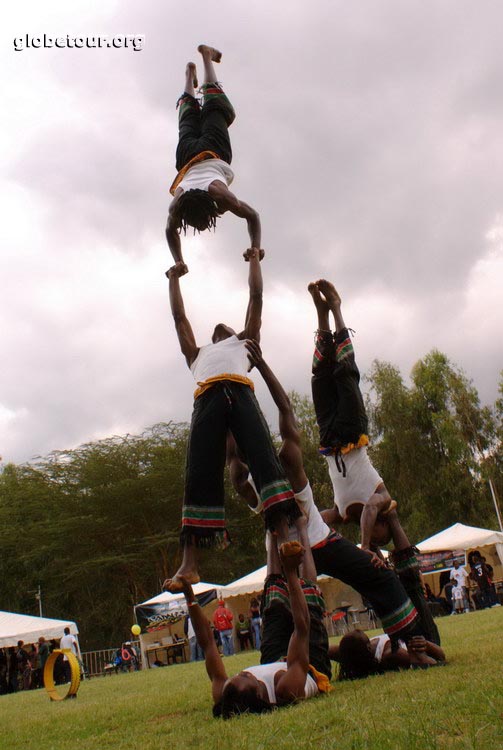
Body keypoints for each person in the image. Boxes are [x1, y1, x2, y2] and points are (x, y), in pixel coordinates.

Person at [228, 340, 433, 648]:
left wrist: (227, 395)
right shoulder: (286, 467)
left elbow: (233, 453)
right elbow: (285, 409)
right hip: (308, 548)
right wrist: (259, 367)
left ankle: (279, 665)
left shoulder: (251, 484)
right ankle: (415, 643)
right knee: (379, 580)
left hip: (298, 551)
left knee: (284, 613)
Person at [307, 279, 440, 644]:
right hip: (352, 431)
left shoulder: (346, 513)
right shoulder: (381, 499)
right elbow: (368, 516)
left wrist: (303, 520)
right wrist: (366, 548)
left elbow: (325, 517)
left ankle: (320, 319)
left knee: (320, 379)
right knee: (345, 375)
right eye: (384, 536)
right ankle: (335, 308)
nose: (381, 537)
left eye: (378, 538)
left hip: (329, 441)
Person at [164, 249, 300, 588]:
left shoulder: (245, 344)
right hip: (207, 399)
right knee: (197, 473)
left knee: (264, 459)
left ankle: (284, 538)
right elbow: (180, 319)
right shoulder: (196, 355)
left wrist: (254, 259)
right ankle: (190, 564)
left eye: (225, 327)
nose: (218, 329)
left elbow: (256, 297)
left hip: (240, 393)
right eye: (215, 331)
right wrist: (173, 281)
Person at [168, 516, 332, 718]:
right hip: (308, 664)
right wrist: (290, 572)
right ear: (258, 692)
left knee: (273, 600)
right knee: (308, 594)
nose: (242, 672)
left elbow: (208, 643)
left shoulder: (227, 692)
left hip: (274, 659)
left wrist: (189, 596)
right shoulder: (288, 690)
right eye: (245, 676)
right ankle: (301, 525)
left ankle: (271, 534)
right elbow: (302, 628)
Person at [166, 45, 261, 273]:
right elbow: (170, 230)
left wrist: (256, 247)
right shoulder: (176, 204)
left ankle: (207, 58)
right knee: (187, 118)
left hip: (214, 151)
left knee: (214, 107)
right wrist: (178, 259)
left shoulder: (220, 194)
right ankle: (189, 76)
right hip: (186, 157)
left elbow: (253, 216)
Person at [330, 630, 446, 680]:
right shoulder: (349, 651)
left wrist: (426, 645)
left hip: (417, 643)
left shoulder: (391, 655)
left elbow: (440, 658)